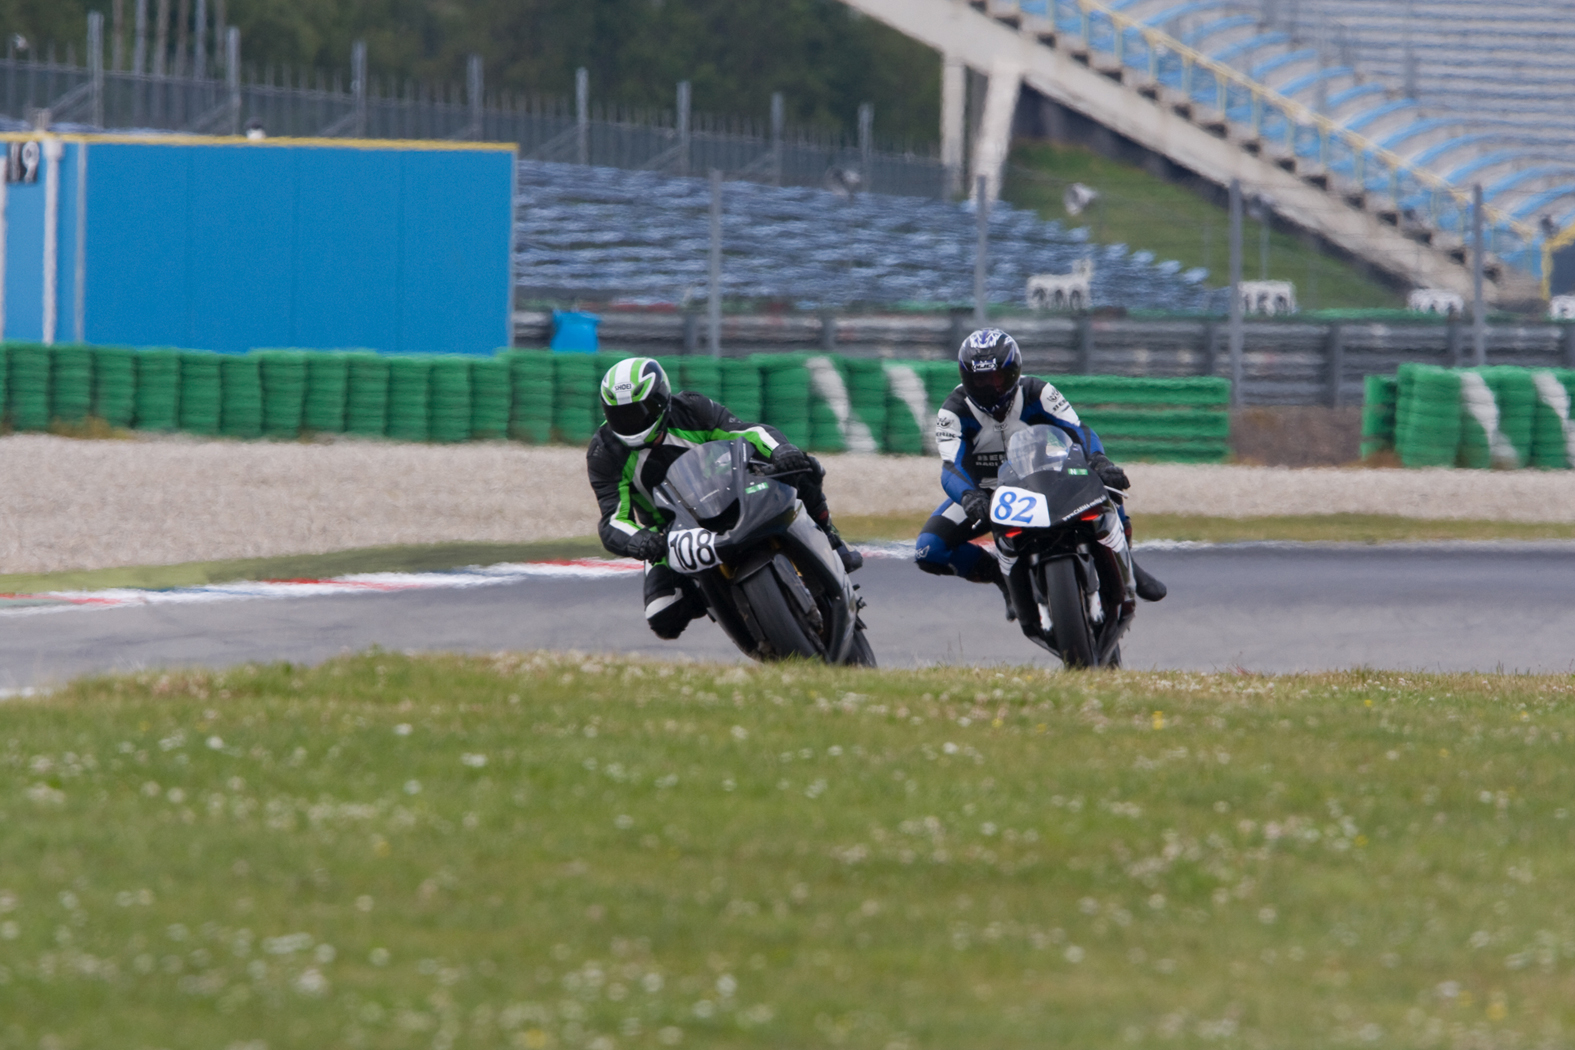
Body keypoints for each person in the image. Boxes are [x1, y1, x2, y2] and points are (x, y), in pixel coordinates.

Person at [588, 356, 861, 640]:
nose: (630, 422)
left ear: (660, 401)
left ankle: (830, 538)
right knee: (663, 616)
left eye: (638, 412)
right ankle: (726, 601)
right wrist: (641, 540)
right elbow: (613, 521)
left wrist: (781, 450)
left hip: (731, 491)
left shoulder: (691, 409)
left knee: (803, 466)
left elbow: (746, 431)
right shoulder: (604, 453)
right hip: (672, 532)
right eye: (620, 415)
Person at [914, 328, 1166, 614]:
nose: (991, 388)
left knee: (1106, 484)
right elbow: (951, 466)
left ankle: (1128, 564)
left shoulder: (1039, 391)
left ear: (1015, 371)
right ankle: (1003, 577)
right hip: (989, 494)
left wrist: (1099, 460)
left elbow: (1078, 430)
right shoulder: (953, 412)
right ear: (966, 379)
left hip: (1048, 479)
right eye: (980, 380)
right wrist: (970, 496)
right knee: (928, 549)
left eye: (998, 377)